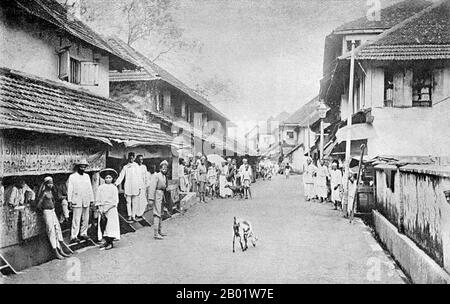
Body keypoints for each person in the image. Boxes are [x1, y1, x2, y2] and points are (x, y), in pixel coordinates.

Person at [36, 176, 71, 260]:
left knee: (57, 229)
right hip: (47, 212)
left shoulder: (51, 192)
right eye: (49, 183)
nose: (50, 185)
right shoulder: (44, 193)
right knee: (51, 230)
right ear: (45, 184)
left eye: (51, 183)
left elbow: (54, 201)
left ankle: (60, 249)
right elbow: (38, 205)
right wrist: (45, 209)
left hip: (52, 211)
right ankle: (55, 251)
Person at [67, 158, 95, 244]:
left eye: (84, 167)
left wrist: (91, 199)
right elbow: (70, 189)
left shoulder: (87, 176)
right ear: (78, 167)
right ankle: (74, 236)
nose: (83, 169)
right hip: (77, 200)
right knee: (76, 219)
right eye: (81, 167)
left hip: (86, 200)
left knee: (86, 218)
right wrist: (70, 201)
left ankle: (83, 233)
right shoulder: (72, 177)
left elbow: (90, 189)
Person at [96, 169, 120, 250]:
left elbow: (115, 201)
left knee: (111, 226)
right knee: (103, 225)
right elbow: (98, 198)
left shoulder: (114, 188)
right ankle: (106, 241)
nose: (108, 179)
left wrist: (107, 208)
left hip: (111, 209)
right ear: (104, 178)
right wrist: (100, 208)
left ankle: (110, 242)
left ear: (112, 179)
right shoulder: (100, 187)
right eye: (107, 178)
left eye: (110, 178)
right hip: (102, 208)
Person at [115, 152, 142, 222]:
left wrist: (140, 187)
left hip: (135, 186)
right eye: (130, 158)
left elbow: (139, 177)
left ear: (134, 158)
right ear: (128, 158)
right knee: (128, 201)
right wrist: (116, 183)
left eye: (133, 157)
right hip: (128, 186)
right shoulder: (125, 167)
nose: (131, 159)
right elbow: (121, 176)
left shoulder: (137, 166)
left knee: (135, 202)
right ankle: (129, 215)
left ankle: (133, 216)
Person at [147, 160, 169, 240]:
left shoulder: (164, 176)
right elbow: (152, 187)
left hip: (162, 195)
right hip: (157, 194)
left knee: (161, 213)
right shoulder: (156, 176)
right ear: (160, 168)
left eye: (166, 168)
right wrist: (151, 199)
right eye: (163, 168)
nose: (164, 169)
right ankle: (156, 233)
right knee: (157, 213)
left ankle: (160, 231)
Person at [135, 154, 148, 220]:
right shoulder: (135, 166)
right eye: (139, 159)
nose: (141, 161)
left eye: (142, 159)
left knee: (143, 200)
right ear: (137, 160)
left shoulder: (144, 167)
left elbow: (146, 177)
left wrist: (146, 185)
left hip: (143, 186)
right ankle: (137, 214)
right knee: (137, 200)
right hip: (136, 186)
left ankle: (141, 213)